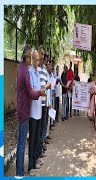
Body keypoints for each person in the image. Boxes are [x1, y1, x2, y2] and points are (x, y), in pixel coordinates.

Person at [16, 45, 45, 176]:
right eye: (34, 59)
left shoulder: (25, 69)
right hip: (27, 111)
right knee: (25, 142)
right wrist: (40, 92)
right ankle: (22, 171)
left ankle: (28, 166)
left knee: (29, 139)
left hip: (31, 109)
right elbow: (32, 93)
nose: (37, 61)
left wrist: (40, 92)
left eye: (39, 59)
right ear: (29, 58)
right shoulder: (26, 72)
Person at [38, 47, 50, 159]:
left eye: (43, 55)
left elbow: (46, 85)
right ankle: (39, 150)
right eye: (41, 54)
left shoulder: (45, 70)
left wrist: (49, 85)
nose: (42, 57)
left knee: (43, 127)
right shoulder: (36, 69)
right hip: (38, 105)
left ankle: (41, 147)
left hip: (45, 103)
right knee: (39, 128)